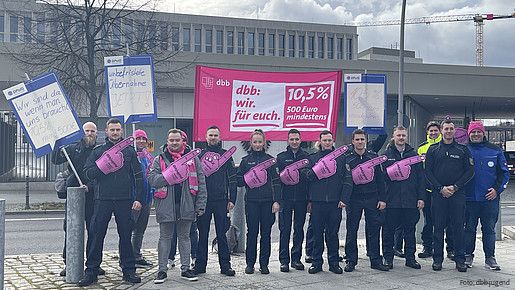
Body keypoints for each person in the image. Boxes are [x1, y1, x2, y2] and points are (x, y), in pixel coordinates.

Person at [78, 118, 143, 286]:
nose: (115, 133)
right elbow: (87, 173)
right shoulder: (98, 151)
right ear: (106, 132)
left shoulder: (129, 151)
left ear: (122, 131)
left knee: (125, 236)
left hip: (124, 199)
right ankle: (91, 270)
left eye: (118, 130)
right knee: (97, 235)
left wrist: (138, 198)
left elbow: (138, 176)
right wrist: (102, 167)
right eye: (112, 130)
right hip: (102, 199)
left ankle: (128, 270)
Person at [148, 128, 207, 284]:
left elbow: (201, 182)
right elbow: (152, 180)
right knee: (165, 238)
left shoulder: (193, 159)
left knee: (185, 238)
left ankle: (186, 269)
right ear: (167, 141)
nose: (174, 143)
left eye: (177, 140)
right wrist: (168, 176)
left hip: (187, 204)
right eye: (171, 140)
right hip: (165, 204)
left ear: (183, 141)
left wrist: (200, 204)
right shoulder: (159, 159)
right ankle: (162, 271)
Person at [51, 122, 104, 277]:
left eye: (92, 131)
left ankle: (93, 264)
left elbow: (102, 173)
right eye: (87, 131)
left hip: (93, 196)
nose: (89, 133)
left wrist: (91, 186)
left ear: (97, 133)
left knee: (94, 230)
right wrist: (56, 144)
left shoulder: (99, 151)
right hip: (74, 194)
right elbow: (56, 160)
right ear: (82, 132)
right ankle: (69, 263)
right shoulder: (73, 148)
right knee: (70, 229)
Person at [425, 118, 474, 272]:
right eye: (445, 129)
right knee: (438, 228)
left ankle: (460, 259)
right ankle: (437, 260)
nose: (448, 131)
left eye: (451, 129)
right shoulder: (432, 150)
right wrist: (440, 188)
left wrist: (455, 187)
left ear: (454, 131)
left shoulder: (463, 150)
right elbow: (428, 172)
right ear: (441, 131)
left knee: (458, 228)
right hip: (438, 195)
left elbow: (470, 171)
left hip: (457, 194)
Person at [303, 130, 351, 275]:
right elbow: (307, 178)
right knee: (317, 234)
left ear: (333, 141)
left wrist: (344, 199)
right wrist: (318, 169)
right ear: (320, 141)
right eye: (325, 140)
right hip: (317, 202)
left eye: (330, 140)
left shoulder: (341, 158)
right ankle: (316, 262)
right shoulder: (313, 158)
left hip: (335, 203)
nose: (327, 143)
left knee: (332, 234)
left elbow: (347, 180)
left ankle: (334, 263)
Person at [464, 121, 509, 270]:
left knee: (489, 230)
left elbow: (504, 173)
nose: (476, 135)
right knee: (469, 229)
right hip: (469, 199)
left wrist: (497, 190)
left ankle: (490, 258)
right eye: (473, 132)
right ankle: (467, 256)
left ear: (483, 133)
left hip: (489, 199)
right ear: (469, 134)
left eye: (478, 132)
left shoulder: (495, 150)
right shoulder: (463, 150)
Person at [344, 129, 389, 272]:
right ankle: (351, 260)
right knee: (351, 230)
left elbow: (381, 180)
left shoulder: (373, 157)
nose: (360, 142)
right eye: (357, 139)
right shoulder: (347, 159)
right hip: (353, 199)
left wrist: (382, 199)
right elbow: (344, 182)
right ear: (352, 141)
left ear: (366, 140)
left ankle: (375, 260)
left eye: (362, 139)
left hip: (372, 198)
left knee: (374, 230)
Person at [195, 125, 237, 276]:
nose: (213, 138)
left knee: (222, 234)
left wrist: (232, 199)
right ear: (205, 137)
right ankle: (200, 265)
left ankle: (225, 266)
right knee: (203, 234)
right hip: (203, 201)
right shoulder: (199, 155)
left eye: (215, 135)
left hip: (221, 201)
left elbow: (232, 179)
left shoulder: (226, 155)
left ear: (220, 137)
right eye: (210, 135)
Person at [237, 129, 281, 275]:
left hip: (268, 202)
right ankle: (250, 263)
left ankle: (264, 264)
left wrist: (276, 201)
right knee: (252, 233)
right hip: (252, 202)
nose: (257, 144)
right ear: (251, 143)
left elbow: (276, 182)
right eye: (255, 142)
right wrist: (248, 178)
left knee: (266, 233)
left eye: (259, 142)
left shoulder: (270, 160)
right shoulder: (245, 161)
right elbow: (239, 181)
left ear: (264, 143)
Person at [381, 126, 425, 269]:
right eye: (398, 135)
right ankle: (388, 258)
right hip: (391, 200)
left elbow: (420, 178)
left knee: (409, 231)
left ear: (407, 137)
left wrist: (421, 197)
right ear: (394, 136)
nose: (401, 138)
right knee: (388, 231)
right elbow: (381, 180)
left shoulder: (414, 155)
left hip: (410, 200)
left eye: (403, 135)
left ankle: (410, 258)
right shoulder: (386, 155)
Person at [417, 121, 454, 260]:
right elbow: (420, 171)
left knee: (449, 221)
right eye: (430, 131)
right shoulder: (421, 148)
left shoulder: (444, 146)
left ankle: (451, 249)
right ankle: (428, 247)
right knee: (429, 221)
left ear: (440, 131)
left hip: (443, 190)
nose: (433, 133)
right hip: (428, 190)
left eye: (435, 131)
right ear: (427, 132)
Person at [277, 129, 310, 272]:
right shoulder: (281, 158)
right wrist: (277, 199)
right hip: (286, 198)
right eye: (292, 139)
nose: (294, 142)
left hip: (302, 199)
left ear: (300, 140)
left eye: (297, 139)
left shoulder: (307, 157)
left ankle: (296, 259)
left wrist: (310, 200)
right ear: (288, 140)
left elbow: (310, 180)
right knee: (284, 230)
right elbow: (277, 182)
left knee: (298, 229)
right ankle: (284, 260)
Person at [131, 129, 154, 268]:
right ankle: (127, 256)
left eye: (143, 139)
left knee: (140, 229)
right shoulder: (130, 156)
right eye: (137, 138)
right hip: (133, 199)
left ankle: (136, 255)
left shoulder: (148, 157)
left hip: (147, 198)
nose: (140, 141)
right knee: (129, 229)